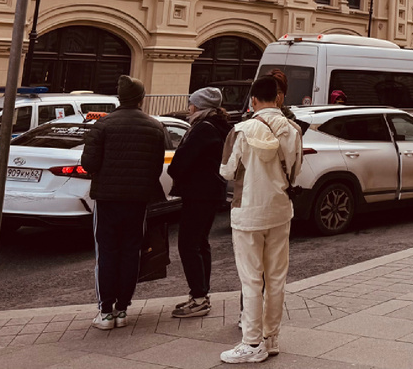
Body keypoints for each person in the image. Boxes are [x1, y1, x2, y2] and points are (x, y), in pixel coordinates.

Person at [218, 75, 304, 364]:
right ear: (278, 98)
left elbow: (226, 171)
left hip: (249, 212)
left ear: (254, 100)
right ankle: (272, 338)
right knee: (276, 278)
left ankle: (252, 342)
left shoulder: (241, 130)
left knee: (251, 280)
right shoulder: (293, 129)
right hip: (280, 210)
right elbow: (295, 171)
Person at [81, 75, 168, 331]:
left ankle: (105, 311)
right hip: (137, 200)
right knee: (131, 251)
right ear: (141, 98)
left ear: (120, 98)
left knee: (106, 252)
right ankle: (122, 309)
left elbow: (89, 164)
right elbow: (155, 167)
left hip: (107, 199)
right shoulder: (154, 127)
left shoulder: (103, 126)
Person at [167, 86, 230, 319]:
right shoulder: (218, 125)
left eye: (191, 103)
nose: (189, 107)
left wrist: (175, 171)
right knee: (201, 243)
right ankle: (202, 294)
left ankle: (199, 298)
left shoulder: (202, 128)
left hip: (199, 192)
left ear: (199, 106)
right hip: (211, 191)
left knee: (188, 244)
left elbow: (183, 158)